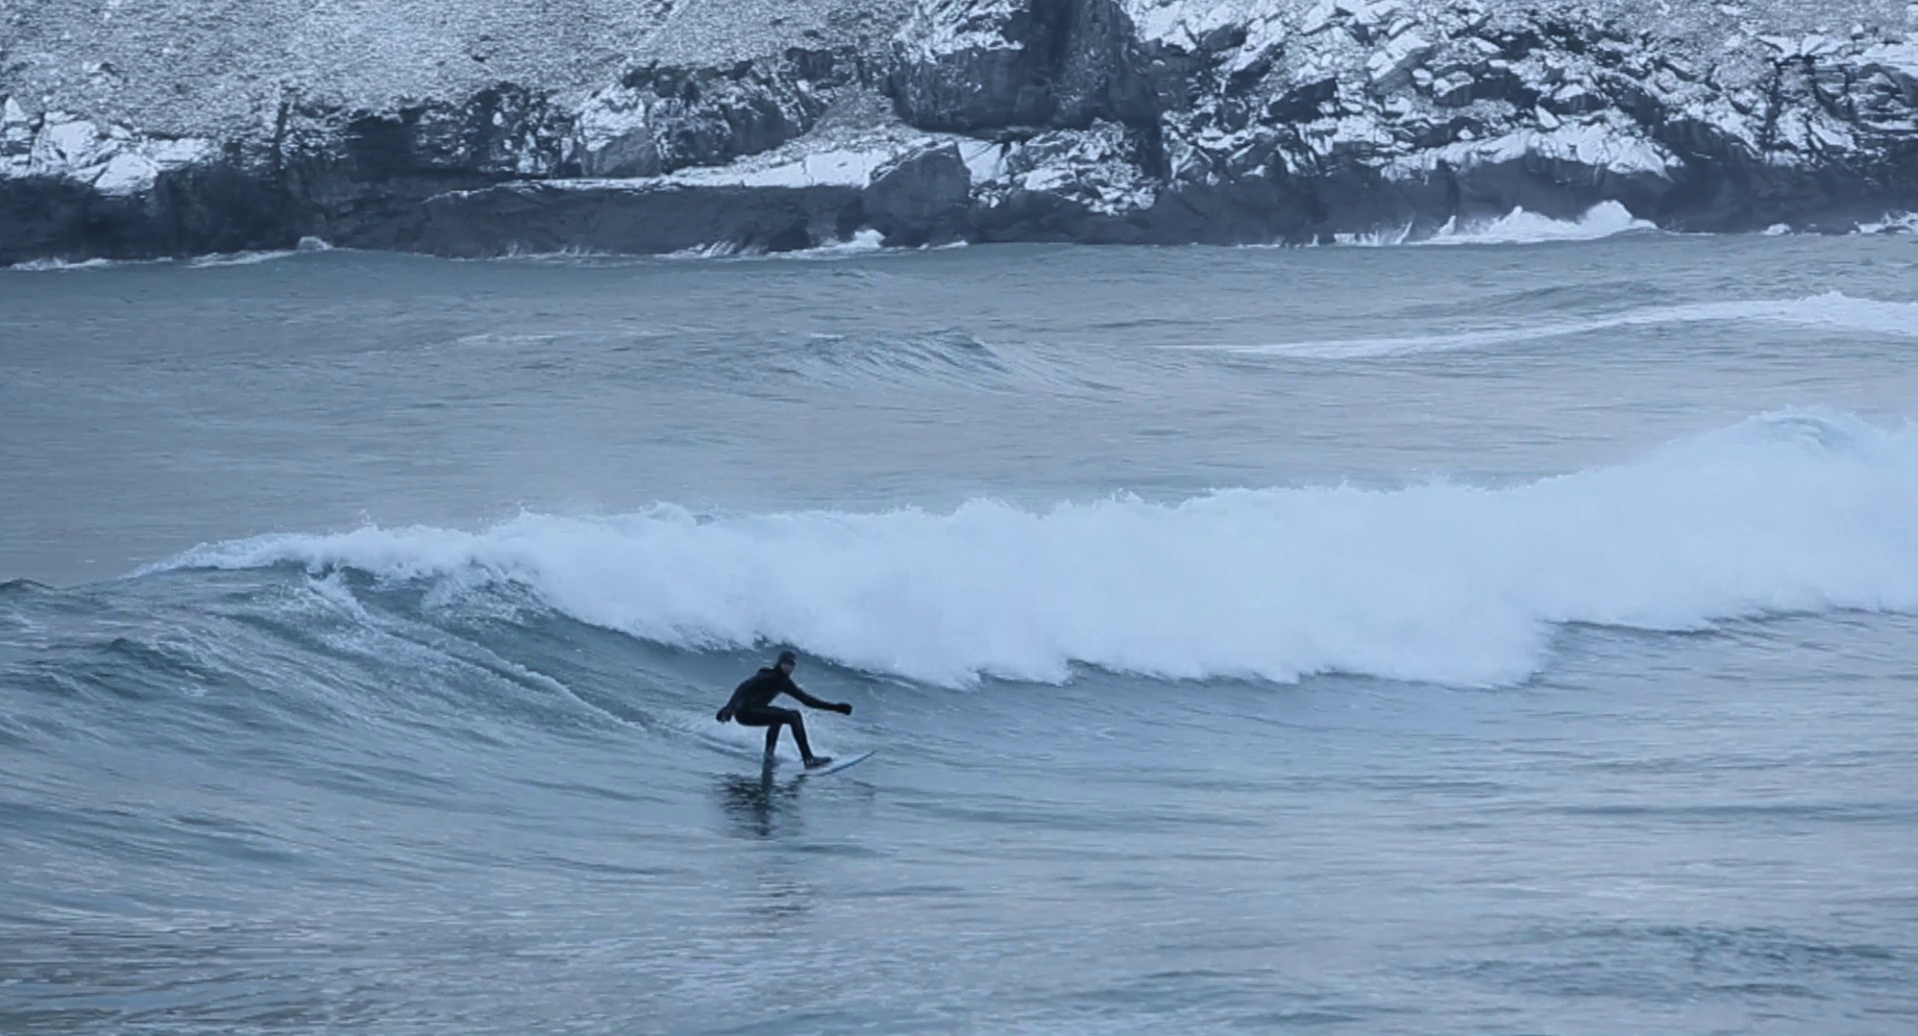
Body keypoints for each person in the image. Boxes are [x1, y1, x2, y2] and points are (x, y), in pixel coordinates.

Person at [716, 650, 851, 768]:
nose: (788, 667)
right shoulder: (768, 676)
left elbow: (807, 700)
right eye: (785, 663)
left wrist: (836, 707)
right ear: (779, 663)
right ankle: (809, 759)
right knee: (793, 716)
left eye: (791, 664)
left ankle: (769, 756)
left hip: (755, 711)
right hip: (745, 712)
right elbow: (743, 687)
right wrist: (729, 707)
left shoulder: (785, 682)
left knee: (779, 716)